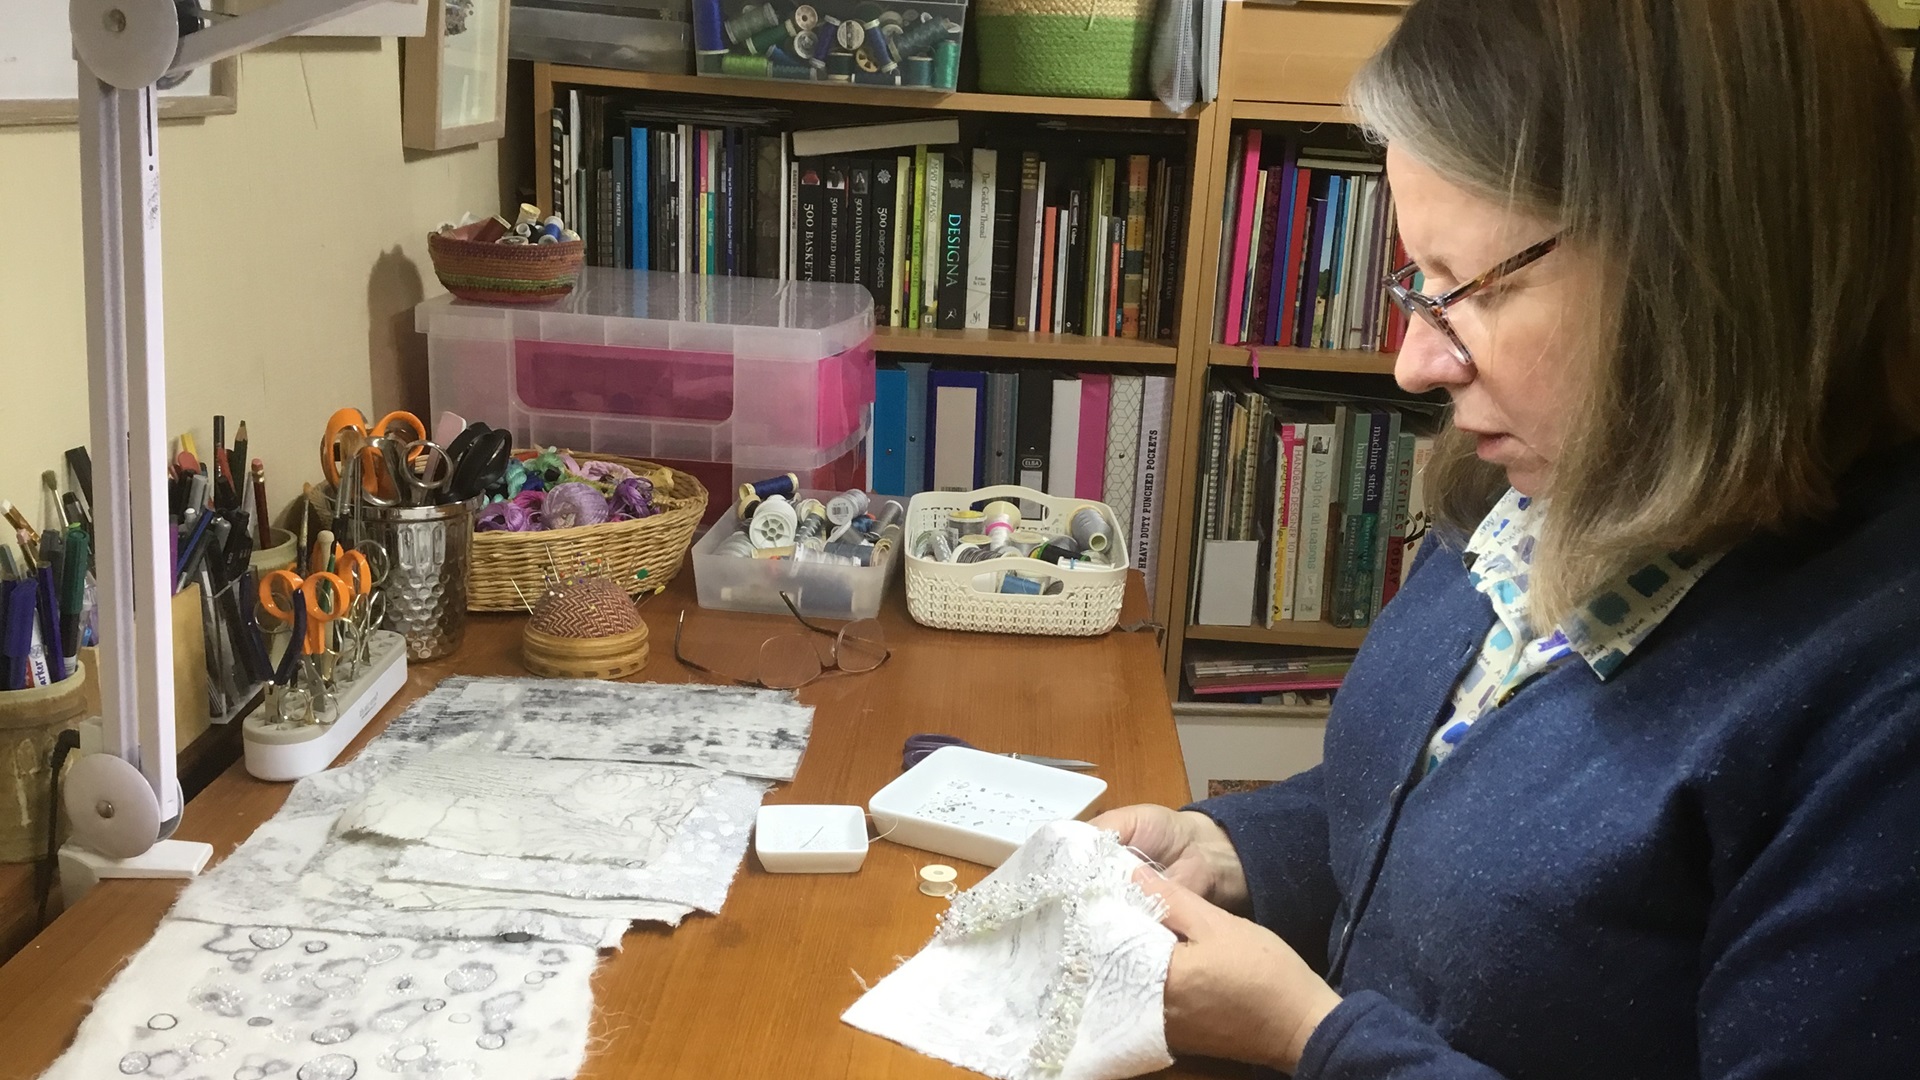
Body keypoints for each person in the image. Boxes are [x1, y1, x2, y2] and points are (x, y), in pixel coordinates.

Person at [1097, 1, 1920, 1076]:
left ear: (1704, 266)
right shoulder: (1542, 484)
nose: (1413, 366)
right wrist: (1235, 850)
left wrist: (1313, 1038)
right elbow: (1428, 812)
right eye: (1414, 282)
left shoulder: (1878, 718)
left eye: (1469, 291)